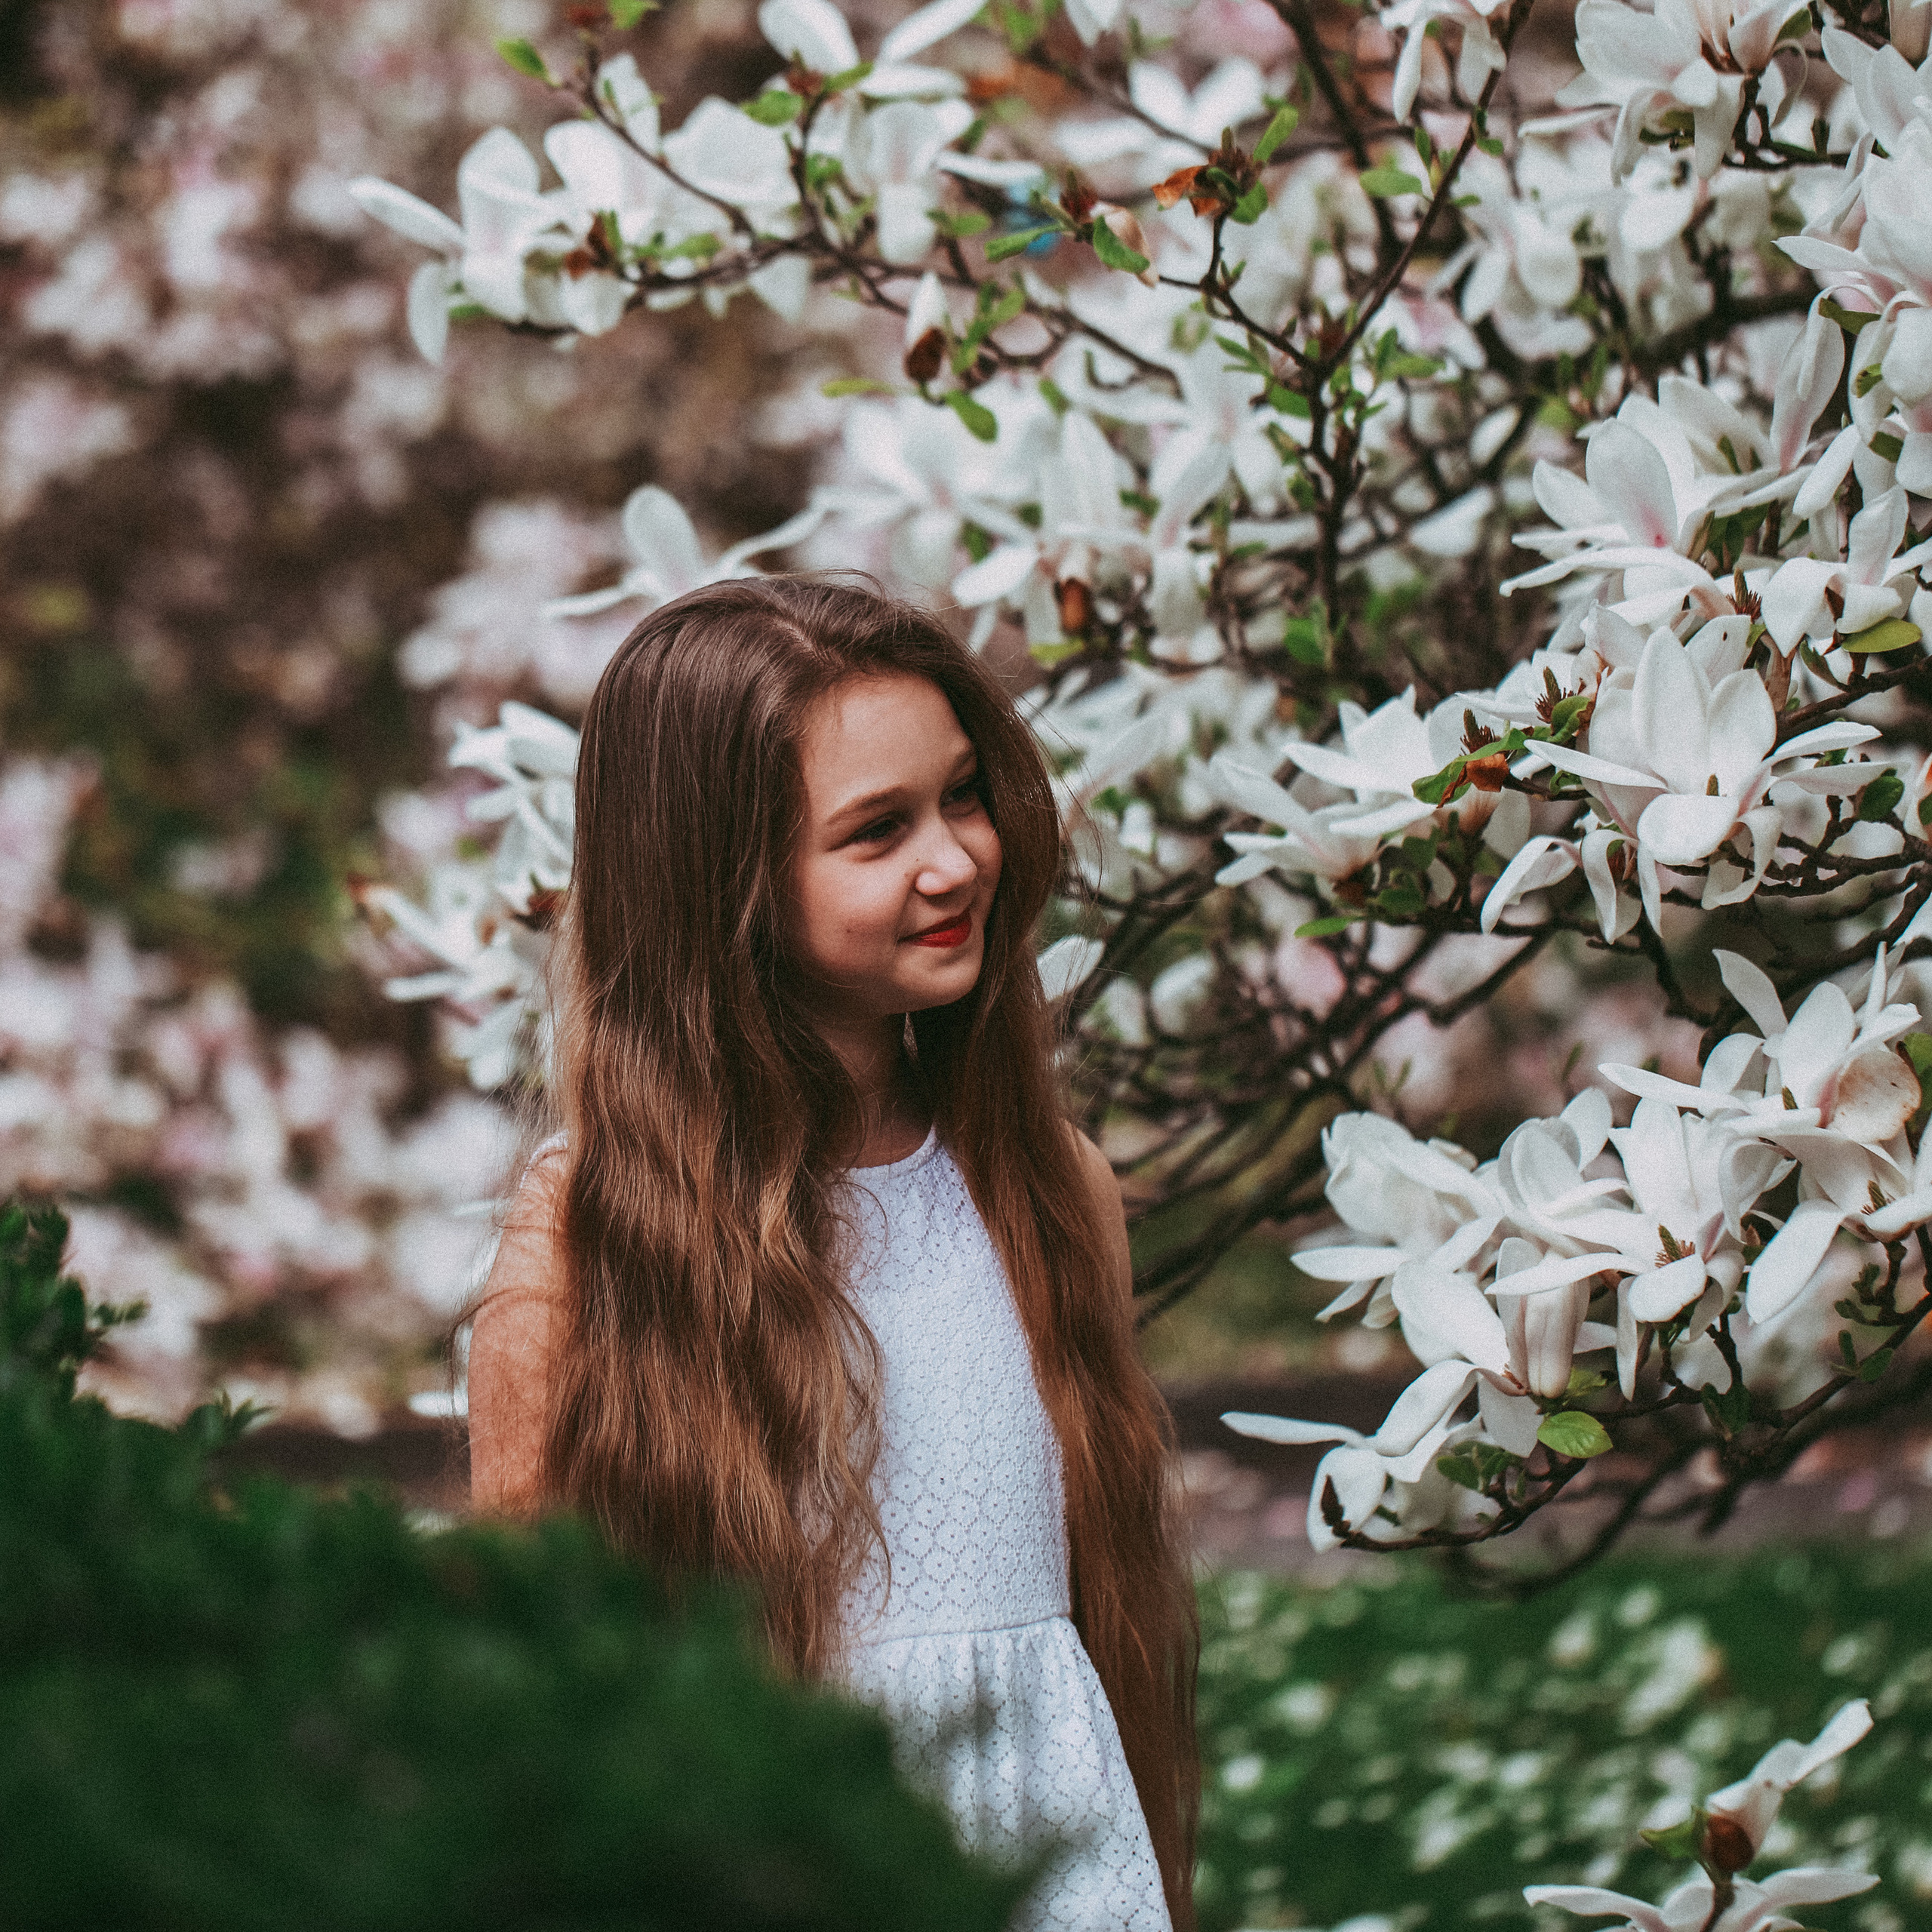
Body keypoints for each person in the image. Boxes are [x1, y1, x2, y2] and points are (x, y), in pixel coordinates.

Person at [464, 577, 1198, 1928]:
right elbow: (542, 1716)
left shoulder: (1048, 1191)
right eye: (877, 832)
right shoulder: (589, 1245)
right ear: (724, 891)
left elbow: (1113, 1640)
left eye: (963, 796)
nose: (957, 860)